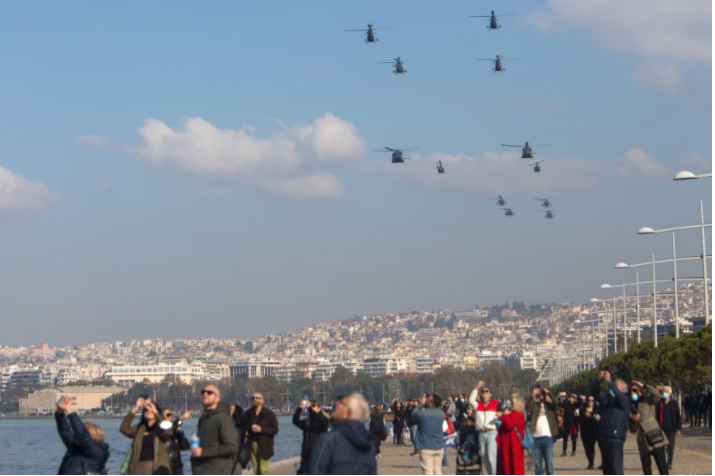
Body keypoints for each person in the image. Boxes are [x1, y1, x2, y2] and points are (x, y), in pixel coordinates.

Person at [308, 393, 377, 475]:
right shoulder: (369, 444)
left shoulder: (329, 440)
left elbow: (316, 471)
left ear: (348, 412)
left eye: (341, 403)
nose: (336, 403)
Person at [55, 395, 109, 475]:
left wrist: (69, 411)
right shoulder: (76, 448)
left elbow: (82, 435)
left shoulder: (97, 451)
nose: (76, 435)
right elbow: (65, 431)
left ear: (92, 436)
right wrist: (60, 411)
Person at [190, 385, 237, 475]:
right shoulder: (203, 419)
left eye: (209, 393)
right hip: (201, 470)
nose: (205, 394)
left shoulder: (223, 419)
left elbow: (230, 447)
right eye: (203, 392)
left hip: (217, 470)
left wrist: (203, 452)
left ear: (217, 399)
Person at [590, 369, 629, 475]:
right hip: (604, 436)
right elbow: (594, 393)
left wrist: (610, 382)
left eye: (616, 387)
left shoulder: (624, 399)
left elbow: (619, 396)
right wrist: (598, 381)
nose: (612, 389)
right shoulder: (607, 399)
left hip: (615, 436)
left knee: (616, 467)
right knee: (606, 469)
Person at [120, 397, 172, 475]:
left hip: (156, 468)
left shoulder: (160, 429)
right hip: (138, 468)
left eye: (150, 410)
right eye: (146, 410)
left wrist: (155, 411)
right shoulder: (139, 429)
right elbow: (124, 428)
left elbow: (168, 431)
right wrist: (136, 408)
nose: (148, 412)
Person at [629, 381, 669, 475]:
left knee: (662, 466)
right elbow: (631, 429)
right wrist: (634, 420)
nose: (633, 393)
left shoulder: (647, 400)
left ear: (639, 391)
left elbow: (655, 393)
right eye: (631, 391)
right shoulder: (630, 407)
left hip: (654, 436)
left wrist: (643, 385)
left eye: (635, 390)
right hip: (642, 440)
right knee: (646, 468)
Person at [242, 392, 279, 475]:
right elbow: (243, 427)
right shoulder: (247, 414)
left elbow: (275, 429)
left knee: (263, 470)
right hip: (251, 445)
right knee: (257, 471)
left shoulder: (269, 414)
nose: (255, 400)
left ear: (262, 400)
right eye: (253, 398)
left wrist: (261, 429)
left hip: (265, 445)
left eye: (258, 397)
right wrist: (246, 431)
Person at [411, 393, 448, 476]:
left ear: (431, 403)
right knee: (437, 471)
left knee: (428, 472)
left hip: (426, 447)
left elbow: (413, 416)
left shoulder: (422, 414)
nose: (426, 399)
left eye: (428, 399)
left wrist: (420, 404)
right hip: (439, 446)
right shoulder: (441, 414)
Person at [469, 380, 501, 475]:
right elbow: (471, 400)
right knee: (485, 458)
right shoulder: (478, 405)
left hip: (492, 431)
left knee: (491, 457)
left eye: (486, 391)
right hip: (481, 433)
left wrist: (500, 414)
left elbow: (504, 413)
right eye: (483, 392)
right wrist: (477, 387)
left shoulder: (496, 404)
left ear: (490, 394)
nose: (484, 393)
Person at [525, 386, 558, 476]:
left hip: (547, 437)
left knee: (549, 463)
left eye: (543, 394)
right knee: (538, 465)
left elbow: (556, 402)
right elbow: (528, 408)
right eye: (540, 394)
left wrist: (548, 392)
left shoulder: (549, 406)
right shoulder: (535, 406)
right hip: (536, 438)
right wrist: (532, 395)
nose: (541, 396)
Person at [293, 400, 330, 474]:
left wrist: (310, 408)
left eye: (313, 406)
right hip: (306, 454)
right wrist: (299, 409)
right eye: (310, 406)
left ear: (319, 408)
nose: (311, 408)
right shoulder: (307, 421)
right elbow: (295, 421)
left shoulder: (323, 420)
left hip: (319, 454)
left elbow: (321, 420)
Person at [496, 394, 526, 475]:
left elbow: (509, 425)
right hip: (509, 445)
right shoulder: (517, 414)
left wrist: (504, 415)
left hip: (512, 445)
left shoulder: (516, 414)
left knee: (512, 467)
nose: (509, 404)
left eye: (511, 403)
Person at [655, 386, 680, 470]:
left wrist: (678, 428)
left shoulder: (674, 403)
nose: (665, 393)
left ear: (670, 393)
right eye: (664, 392)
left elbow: (677, 416)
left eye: (666, 392)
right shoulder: (659, 403)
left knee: (670, 446)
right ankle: (662, 462)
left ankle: (669, 462)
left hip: (671, 429)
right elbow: (656, 416)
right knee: (661, 447)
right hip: (661, 428)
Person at [162, 408, 192, 475]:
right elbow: (167, 430)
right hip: (165, 467)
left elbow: (186, 447)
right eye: (168, 415)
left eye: (171, 414)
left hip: (177, 467)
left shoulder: (174, 431)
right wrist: (181, 418)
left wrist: (180, 433)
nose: (170, 416)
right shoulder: (160, 429)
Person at [578, 395, 599, 470]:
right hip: (585, 431)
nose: (591, 402)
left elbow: (598, 417)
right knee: (587, 448)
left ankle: (592, 463)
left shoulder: (597, 409)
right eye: (589, 400)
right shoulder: (582, 409)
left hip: (595, 431)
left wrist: (591, 416)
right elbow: (581, 418)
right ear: (587, 401)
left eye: (592, 400)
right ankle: (591, 462)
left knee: (593, 447)